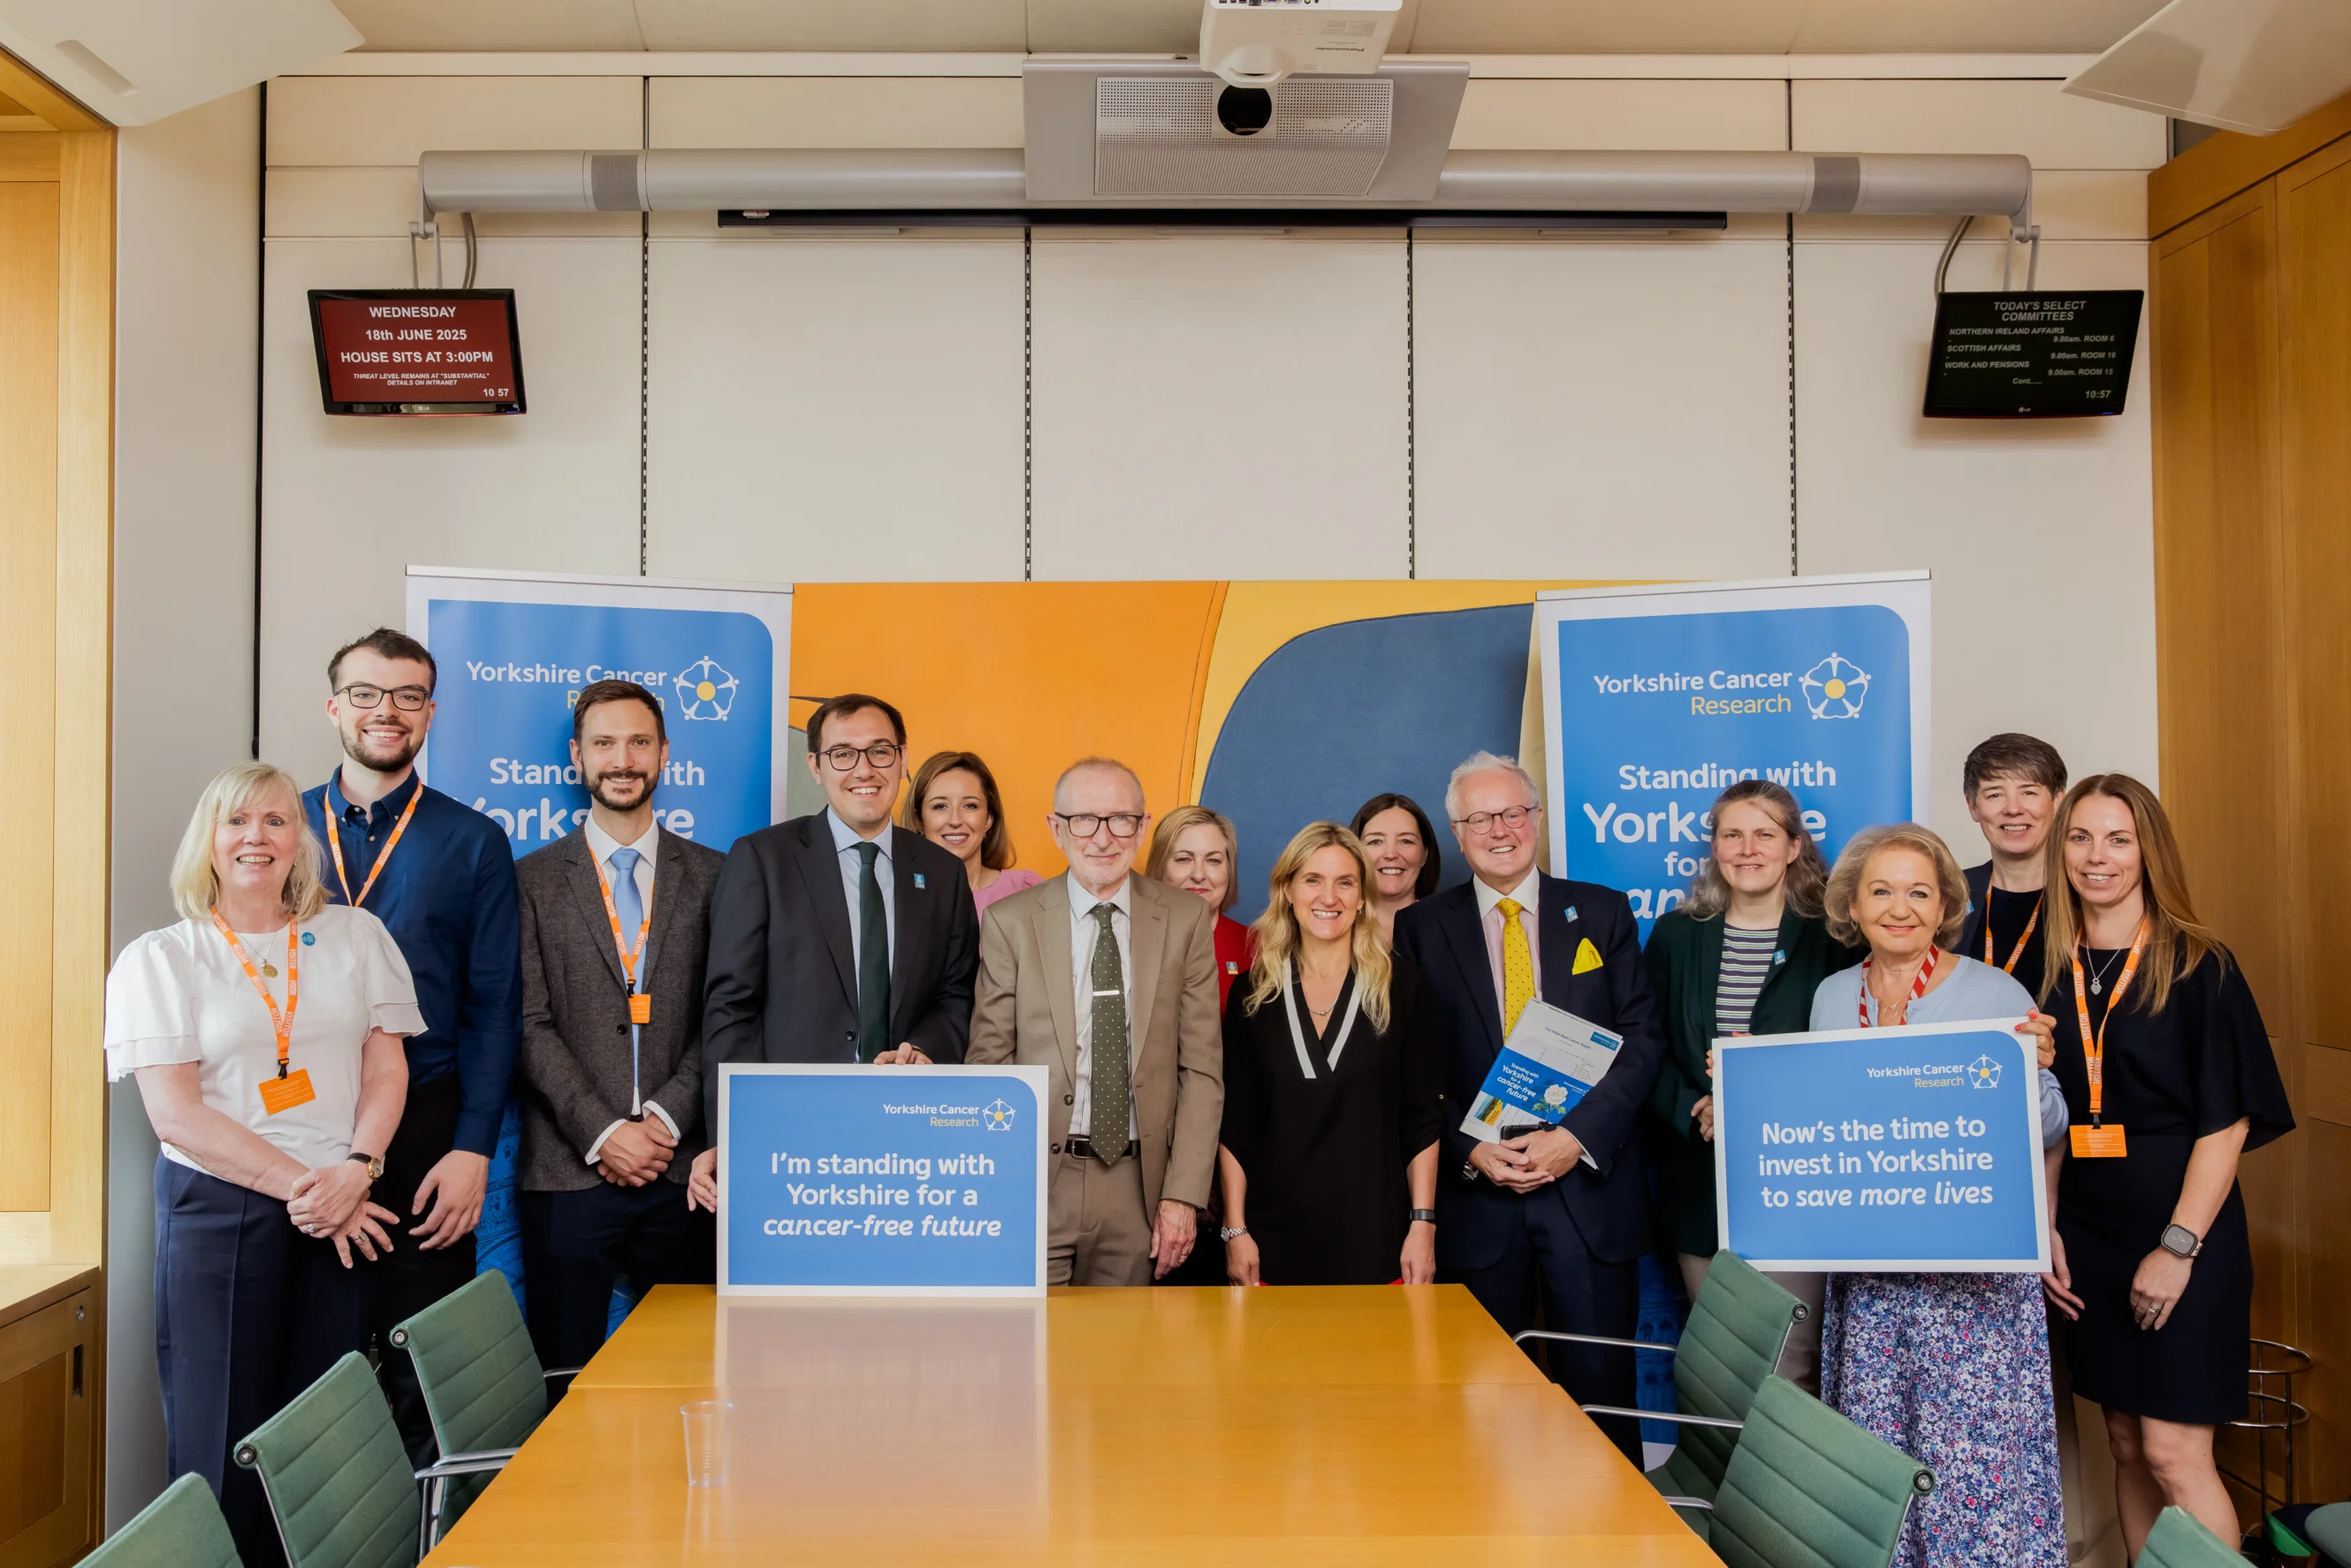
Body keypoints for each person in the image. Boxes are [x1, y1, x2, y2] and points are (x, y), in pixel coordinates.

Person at [107, 763, 417, 1568]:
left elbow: (387, 1072)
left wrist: (356, 1169)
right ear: (208, 841)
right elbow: (176, 1114)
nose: (257, 838)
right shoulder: (163, 959)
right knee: (222, 1432)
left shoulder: (356, 937)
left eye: (277, 822)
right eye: (237, 822)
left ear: (300, 840)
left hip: (345, 1200)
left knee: (328, 1431)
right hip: (225, 1211)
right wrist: (314, 1191)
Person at [2036, 775, 2293, 1557]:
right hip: (2086, 1232)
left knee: (2175, 1453)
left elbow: (2228, 1121)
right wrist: (2042, 1225)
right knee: (2122, 1442)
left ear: (2148, 848)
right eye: (2080, 838)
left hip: (2183, 1234)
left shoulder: (2198, 963)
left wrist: (2177, 1249)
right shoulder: (2049, 962)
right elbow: (2044, 1116)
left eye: (2118, 838)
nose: (2097, 857)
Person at [1391, 751, 1665, 1459]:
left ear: (1537, 818)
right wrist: (1468, 1149)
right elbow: (1410, 1068)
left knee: (1601, 1397)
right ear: (1457, 832)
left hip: (1587, 1189)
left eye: (1514, 812)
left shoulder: (1601, 911)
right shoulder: (1421, 928)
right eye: (1481, 818)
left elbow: (1643, 1039)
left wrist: (1575, 1138)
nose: (1500, 829)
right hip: (1480, 1193)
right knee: (1485, 1404)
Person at [1811, 822, 2071, 1568]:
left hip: (1973, 1284)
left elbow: (2050, 1124)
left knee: (1973, 1469)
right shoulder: (1832, 998)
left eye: (1919, 892)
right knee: (1881, 1456)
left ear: (1944, 905)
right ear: (1852, 907)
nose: (1901, 908)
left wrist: (2027, 1068)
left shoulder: (1994, 991)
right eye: (1882, 891)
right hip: (1871, 1277)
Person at [302, 627, 520, 1463]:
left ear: (431, 712)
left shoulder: (472, 840)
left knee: (416, 1359)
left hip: (429, 1130)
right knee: (317, 1361)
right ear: (334, 707)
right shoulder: (283, 830)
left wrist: (474, 1150)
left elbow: (497, 1005)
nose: (385, 712)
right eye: (366, 693)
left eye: (407, 696)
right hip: (305, 1129)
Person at [692, 693, 977, 1208]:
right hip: (790, 1135)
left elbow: (956, 994)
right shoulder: (762, 859)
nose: (863, 769)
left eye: (880, 751)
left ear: (904, 758)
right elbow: (730, 1008)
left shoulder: (942, 873)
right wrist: (733, 1132)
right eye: (843, 754)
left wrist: (926, 1049)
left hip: (908, 1135)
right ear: (816, 766)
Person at [514, 681, 722, 1378]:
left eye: (638, 742)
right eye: (604, 743)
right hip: (569, 1174)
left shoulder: (720, 877)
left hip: (684, 1172)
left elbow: (725, 1017)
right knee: (566, 1382)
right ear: (577, 757)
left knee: (690, 1376)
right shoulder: (529, 882)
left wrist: (664, 1120)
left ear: (665, 753)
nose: (622, 759)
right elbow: (529, 1025)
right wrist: (606, 1133)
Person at [967, 757, 1223, 1285]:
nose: (1103, 837)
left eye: (1120, 819)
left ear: (1143, 827)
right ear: (1056, 827)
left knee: (1121, 1360)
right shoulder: (1010, 923)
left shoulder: (1185, 919)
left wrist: (1182, 1195)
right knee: (1027, 1354)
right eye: (1084, 819)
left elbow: (1201, 1069)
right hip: (1037, 1182)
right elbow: (990, 1065)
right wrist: (997, 1184)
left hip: (1140, 1187)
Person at [1640, 779, 1857, 1389]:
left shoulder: (1837, 938)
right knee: (1717, 1368)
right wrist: (1694, 1110)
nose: (1747, 848)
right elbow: (1644, 1051)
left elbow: (1852, 1053)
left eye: (1765, 834)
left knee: (1792, 1367)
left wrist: (1759, 1106)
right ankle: (1717, 1491)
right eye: (1731, 834)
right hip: (1701, 1180)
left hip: (1799, 1183)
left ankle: (1785, 1489)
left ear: (1793, 846)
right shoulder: (1677, 935)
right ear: (1714, 847)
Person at [1217, 822, 1443, 1286]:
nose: (1329, 897)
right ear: (1287, 891)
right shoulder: (1253, 992)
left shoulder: (1403, 988)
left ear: (1363, 897)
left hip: (1378, 1237)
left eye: (1345, 883)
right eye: (1313, 880)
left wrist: (1423, 1225)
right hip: (1270, 1239)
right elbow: (1235, 1123)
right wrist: (1235, 1230)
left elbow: (1422, 1120)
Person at [1957, 733, 2068, 996]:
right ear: (1973, 807)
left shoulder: (2088, 893)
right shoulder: (1948, 893)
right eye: (1995, 794)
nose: (2013, 809)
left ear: (2058, 801)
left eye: (2029, 792)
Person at [903, 749, 1042, 918]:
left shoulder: (1025, 891)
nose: (955, 820)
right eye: (940, 806)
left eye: (970, 806)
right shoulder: (898, 897)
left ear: (988, 819)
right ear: (919, 821)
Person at [1144, 803, 1254, 1009]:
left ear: (1228, 871)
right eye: (1184, 859)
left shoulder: (1258, 950)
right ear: (1160, 867)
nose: (1198, 874)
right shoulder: (1127, 938)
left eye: (1213, 860)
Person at [1350, 792, 1442, 948]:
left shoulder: (1450, 929)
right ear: (1355, 853)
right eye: (1375, 841)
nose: (1390, 854)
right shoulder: (1335, 928)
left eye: (1406, 841)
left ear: (1424, 855)